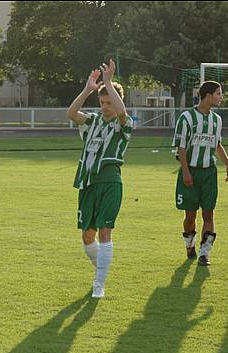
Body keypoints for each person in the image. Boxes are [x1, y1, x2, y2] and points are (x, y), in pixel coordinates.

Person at [66, 59, 133, 298]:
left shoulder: (123, 124)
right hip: (87, 183)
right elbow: (71, 113)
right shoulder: (92, 121)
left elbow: (122, 112)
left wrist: (107, 82)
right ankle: (101, 270)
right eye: (102, 102)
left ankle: (99, 284)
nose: (105, 106)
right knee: (87, 237)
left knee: (105, 232)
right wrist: (88, 89)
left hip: (110, 183)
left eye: (109, 102)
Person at [173, 81, 228, 267]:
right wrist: (186, 172)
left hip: (209, 173)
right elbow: (181, 148)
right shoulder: (187, 118)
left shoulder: (217, 120)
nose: (220, 97)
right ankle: (189, 244)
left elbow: (217, 144)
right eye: (218, 93)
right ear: (207, 95)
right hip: (190, 172)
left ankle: (204, 254)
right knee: (190, 216)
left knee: (209, 214)